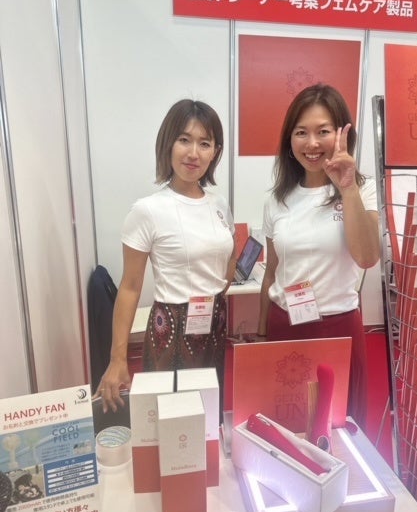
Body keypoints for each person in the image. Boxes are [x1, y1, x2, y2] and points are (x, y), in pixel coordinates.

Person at [95, 99, 235, 413]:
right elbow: (130, 287)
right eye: (184, 140)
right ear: (168, 143)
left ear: (215, 152)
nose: (194, 153)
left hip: (214, 324)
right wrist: (117, 359)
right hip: (171, 328)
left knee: (209, 416)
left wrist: (215, 291)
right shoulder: (147, 210)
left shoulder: (218, 204)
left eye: (205, 143)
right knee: (172, 417)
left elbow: (230, 255)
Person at [256, 83, 380, 428]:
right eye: (301, 132)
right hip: (285, 323)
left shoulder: (362, 189)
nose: (312, 143)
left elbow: (367, 257)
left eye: (323, 131)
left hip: (338, 326)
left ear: (342, 135)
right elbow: (272, 271)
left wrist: (347, 187)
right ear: (289, 140)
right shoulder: (277, 199)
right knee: (287, 424)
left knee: (338, 426)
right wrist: (262, 333)